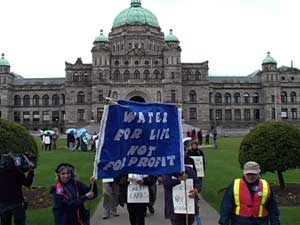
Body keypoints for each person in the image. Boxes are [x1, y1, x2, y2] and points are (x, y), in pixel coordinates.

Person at [0, 153, 35, 225]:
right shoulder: (17, 172)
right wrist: (31, 171)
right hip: (17, 202)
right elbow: (27, 183)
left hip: (3, 202)